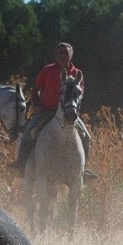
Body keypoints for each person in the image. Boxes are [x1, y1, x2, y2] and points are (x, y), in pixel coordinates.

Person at [14, 42, 95, 178]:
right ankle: (21, 164)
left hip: (68, 113)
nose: (62, 56)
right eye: (59, 54)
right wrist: (37, 104)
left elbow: (80, 94)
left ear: (71, 55)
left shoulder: (77, 74)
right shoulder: (47, 70)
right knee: (28, 131)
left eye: (66, 53)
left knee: (86, 137)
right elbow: (35, 89)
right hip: (45, 111)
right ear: (56, 56)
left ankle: (83, 170)